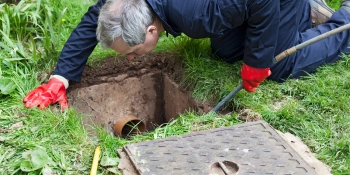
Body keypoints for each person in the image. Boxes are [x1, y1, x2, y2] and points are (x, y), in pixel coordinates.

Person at [23, 0, 350, 110]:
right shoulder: (130, 4)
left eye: (133, 53)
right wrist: (60, 77)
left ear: (152, 32)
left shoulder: (199, 16)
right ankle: (304, 10)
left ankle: (343, 21)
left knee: (279, 65)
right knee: (225, 51)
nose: (131, 60)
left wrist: (259, 61)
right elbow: (98, 15)